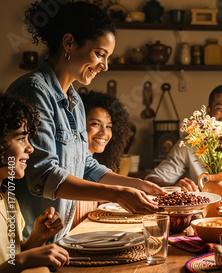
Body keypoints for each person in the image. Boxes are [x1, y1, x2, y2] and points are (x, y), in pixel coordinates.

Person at [6, 1, 163, 242]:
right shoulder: (34, 91)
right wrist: (118, 194)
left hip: (58, 239)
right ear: (69, 43)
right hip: (28, 242)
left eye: (108, 57)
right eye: (99, 54)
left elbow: (86, 166)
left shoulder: (76, 101)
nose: (105, 65)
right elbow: (45, 175)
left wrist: (136, 185)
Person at [0, 94, 69, 273]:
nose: (30, 148)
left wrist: (38, 237)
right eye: (21, 138)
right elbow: (18, 261)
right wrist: (23, 260)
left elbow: (13, 258)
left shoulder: (7, 198)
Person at [71, 91, 133, 228]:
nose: (104, 133)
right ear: (78, 125)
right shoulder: (71, 165)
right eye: (95, 124)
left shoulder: (98, 167)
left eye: (108, 126)